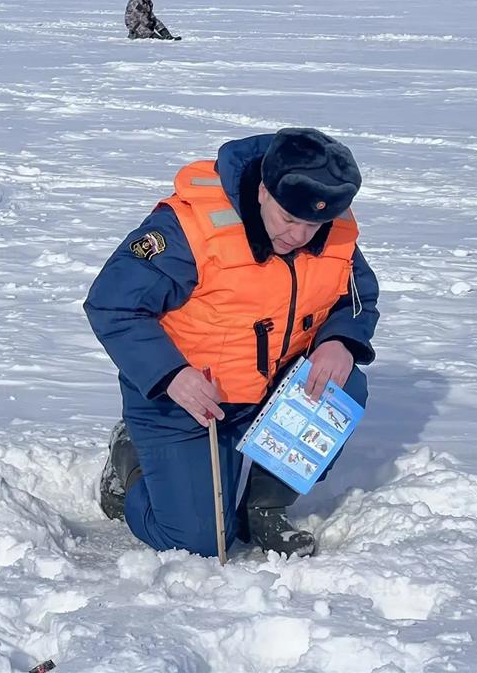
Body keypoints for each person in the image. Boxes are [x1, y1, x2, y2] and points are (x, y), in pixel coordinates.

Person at [85, 128, 380, 558]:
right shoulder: (190, 229)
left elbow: (357, 298)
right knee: (200, 543)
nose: (299, 235)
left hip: (268, 387)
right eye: (289, 219)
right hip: (186, 398)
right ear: (263, 189)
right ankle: (129, 464)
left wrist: (340, 341)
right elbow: (112, 304)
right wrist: (172, 375)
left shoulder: (331, 233)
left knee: (341, 382)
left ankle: (264, 508)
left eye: (312, 223)